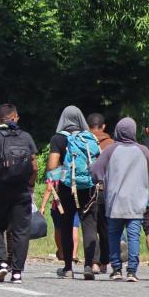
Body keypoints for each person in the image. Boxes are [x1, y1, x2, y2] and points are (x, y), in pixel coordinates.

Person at [0, 103, 38, 284]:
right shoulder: (26, 136)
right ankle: (17, 273)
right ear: (14, 117)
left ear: (0, 118)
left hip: (1, 187)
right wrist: (30, 184)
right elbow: (34, 165)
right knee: (21, 231)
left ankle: (2, 263)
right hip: (22, 189)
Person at [91, 118, 149, 282]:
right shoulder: (143, 150)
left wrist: (101, 179)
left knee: (114, 235)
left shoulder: (111, 150)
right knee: (133, 237)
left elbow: (95, 169)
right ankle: (132, 271)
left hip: (115, 200)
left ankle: (116, 269)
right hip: (136, 201)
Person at [46, 106, 101, 280]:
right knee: (89, 225)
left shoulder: (58, 139)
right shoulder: (89, 137)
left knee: (67, 225)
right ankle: (88, 265)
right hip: (88, 187)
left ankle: (68, 267)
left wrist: (60, 177)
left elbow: (52, 166)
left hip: (66, 188)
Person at [87, 113, 112, 274]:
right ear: (103, 126)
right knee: (105, 228)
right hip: (107, 190)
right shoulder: (112, 144)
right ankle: (104, 262)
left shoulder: (85, 142)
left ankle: (93, 262)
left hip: (89, 189)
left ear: (88, 127)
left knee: (91, 225)